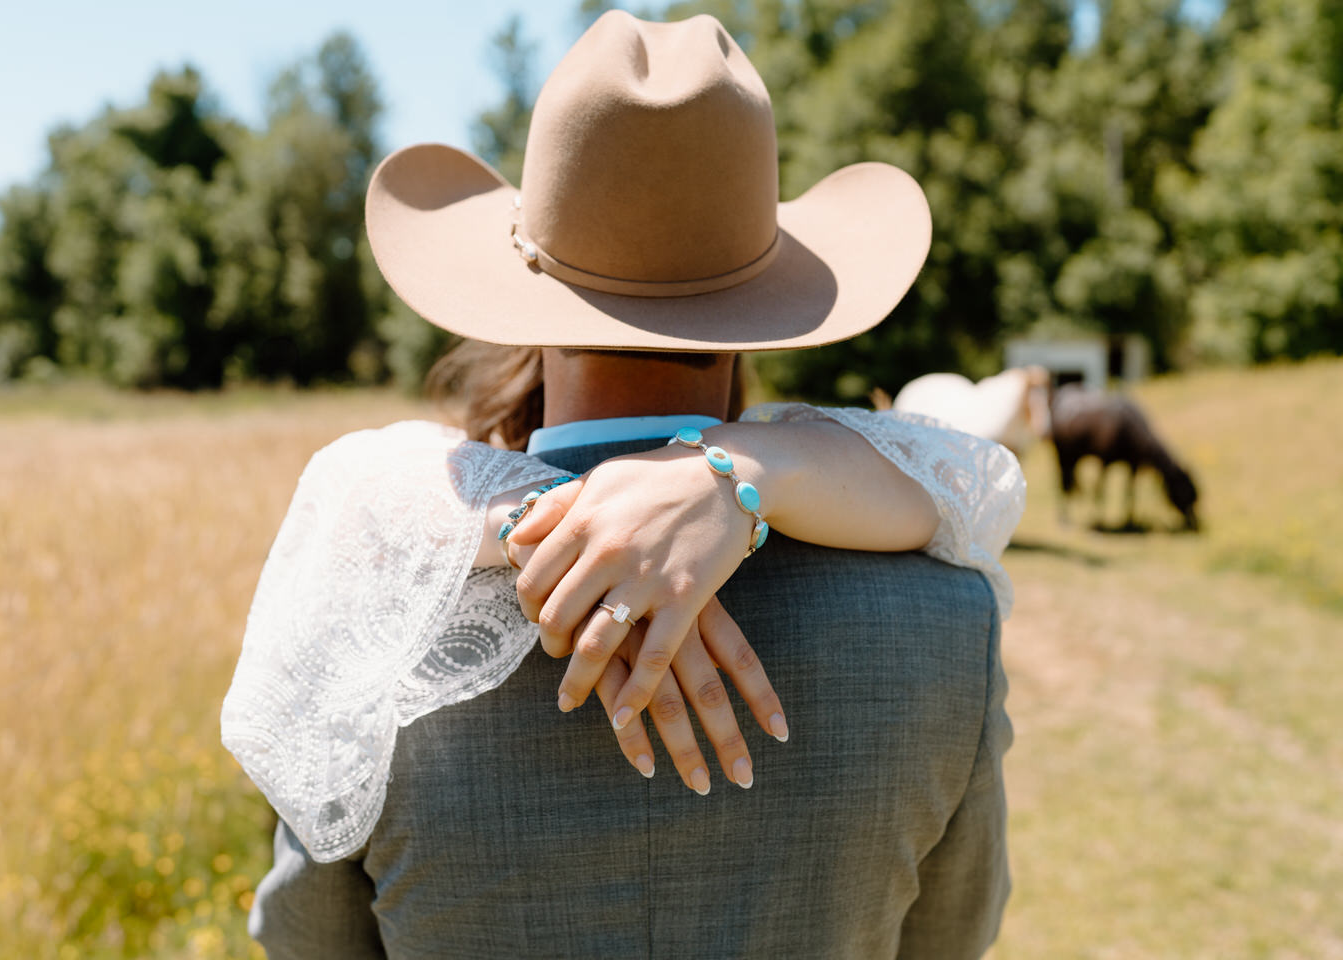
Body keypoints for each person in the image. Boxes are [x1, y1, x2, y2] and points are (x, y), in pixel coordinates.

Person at [222, 10, 1025, 958]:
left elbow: (305, 943)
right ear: (761, 312)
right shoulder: (948, 623)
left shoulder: (382, 609)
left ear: (525, 299)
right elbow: (949, 941)